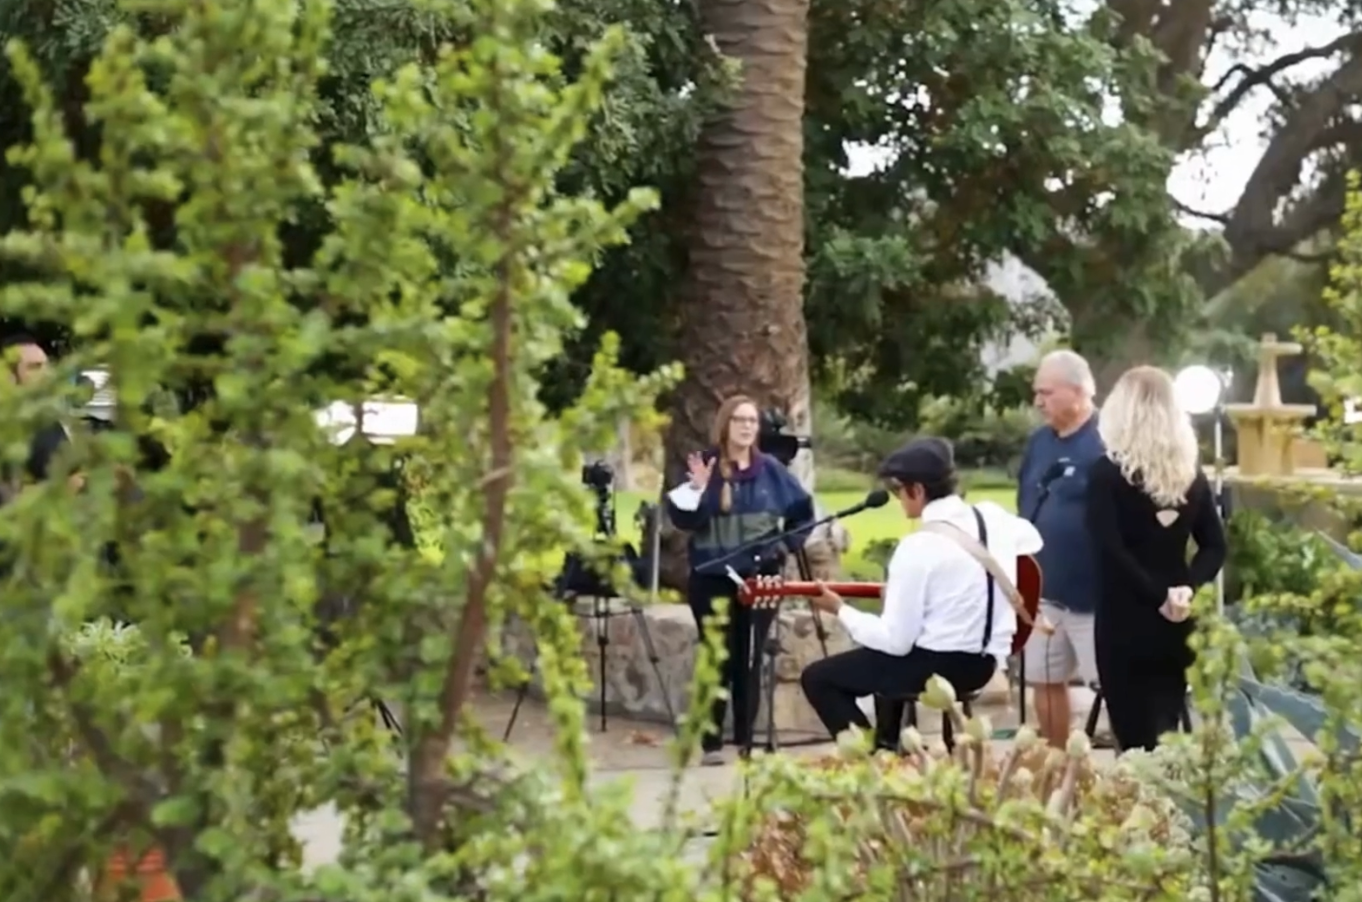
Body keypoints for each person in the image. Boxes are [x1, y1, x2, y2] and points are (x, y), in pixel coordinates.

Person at [798, 437, 1042, 750]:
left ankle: (874, 761)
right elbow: (1032, 543)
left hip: (936, 669)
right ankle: (890, 743)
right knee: (883, 660)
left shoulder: (918, 547)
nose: (898, 500)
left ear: (917, 490)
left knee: (820, 678)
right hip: (985, 664)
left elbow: (896, 642)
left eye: (898, 491)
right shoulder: (994, 517)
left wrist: (840, 609)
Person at [666, 394, 814, 765]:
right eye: (740, 420)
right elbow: (684, 521)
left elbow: (803, 515)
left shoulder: (773, 472)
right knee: (716, 657)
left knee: (750, 657)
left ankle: (747, 742)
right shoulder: (706, 466)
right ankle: (712, 742)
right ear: (725, 425)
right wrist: (699, 491)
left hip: (760, 579)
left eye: (752, 421)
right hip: (711, 579)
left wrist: (784, 545)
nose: (747, 426)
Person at [1087, 366, 1226, 753]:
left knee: (1133, 736)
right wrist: (1185, 589)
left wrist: (1156, 596)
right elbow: (1215, 546)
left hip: (1124, 619)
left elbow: (1110, 550)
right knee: (1168, 728)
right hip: (1177, 620)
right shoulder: (1189, 476)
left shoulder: (1106, 475)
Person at [1017, 349, 1105, 747]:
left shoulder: (1107, 440)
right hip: (1044, 591)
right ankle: (1057, 766)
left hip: (1095, 594)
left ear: (1079, 391)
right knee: (1043, 677)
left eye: (1046, 393)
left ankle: (1132, 776)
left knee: (1111, 687)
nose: (1038, 402)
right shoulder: (1039, 443)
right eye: (1037, 393)